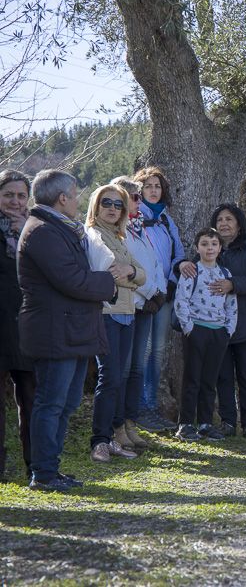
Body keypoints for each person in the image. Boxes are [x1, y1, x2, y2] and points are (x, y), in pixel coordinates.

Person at [18, 170, 116, 491]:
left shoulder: (60, 229)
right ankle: (43, 473)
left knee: (67, 403)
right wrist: (111, 279)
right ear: (62, 198)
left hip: (71, 331)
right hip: (54, 331)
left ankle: (51, 470)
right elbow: (73, 280)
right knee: (51, 403)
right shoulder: (43, 232)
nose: (77, 201)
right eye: (75, 195)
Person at [179, 203, 246, 440]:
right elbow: (189, 273)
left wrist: (233, 285)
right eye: (219, 220)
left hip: (245, 322)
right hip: (213, 328)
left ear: (239, 223)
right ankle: (228, 421)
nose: (224, 223)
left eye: (229, 219)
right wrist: (181, 263)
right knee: (222, 376)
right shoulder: (208, 248)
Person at [85, 183, 146, 463]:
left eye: (118, 204)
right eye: (106, 203)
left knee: (119, 378)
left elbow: (141, 275)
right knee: (109, 378)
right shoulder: (94, 235)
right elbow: (107, 276)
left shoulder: (119, 238)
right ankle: (99, 440)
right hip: (107, 314)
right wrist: (130, 277)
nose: (112, 208)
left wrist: (130, 271)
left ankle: (111, 437)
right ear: (96, 206)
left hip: (127, 315)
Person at [112, 176, 167, 452]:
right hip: (130, 304)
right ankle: (117, 426)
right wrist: (149, 293)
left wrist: (158, 291)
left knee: (136, 367)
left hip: (147, 303)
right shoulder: (117, 231)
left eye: (138, 196)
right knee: (121, 370)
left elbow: (153, 264)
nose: (139, 200)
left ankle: (131, 423)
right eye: (135, 196)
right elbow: (124, 270)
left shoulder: (139, 227)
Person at [173, 228, 237, 441]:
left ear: (220, 248)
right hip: (196, 331)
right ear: (197, 247)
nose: (209, 248)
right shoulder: (193, 271)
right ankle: (185, 424)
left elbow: (231, 304)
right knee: (192, 378)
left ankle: (205, 423)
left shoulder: (226, 274)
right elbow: (181, 300)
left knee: (210, 380)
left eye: (213, 244)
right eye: (204, 244)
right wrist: (189, 327)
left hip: (218, 332)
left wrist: (228, 330)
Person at [134, 166, 184, 432]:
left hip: (164, 295)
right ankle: (139, 407)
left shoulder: (166, 219)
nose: (153, 190)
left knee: (158, 353)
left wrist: (172, 283)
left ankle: (151, 407)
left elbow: (179, 254)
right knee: (141, 353)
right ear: (139, 190)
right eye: (148, 186)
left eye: (157, 186)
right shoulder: (133, 218)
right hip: (142, 295)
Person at [0, 170, 36, 480]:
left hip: (28, 324)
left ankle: (35, 466)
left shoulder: (37, 229)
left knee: (32, 399)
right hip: (0, 323)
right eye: (8, 195)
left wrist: (27, 232)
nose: (15, 201)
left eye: (21, 195)